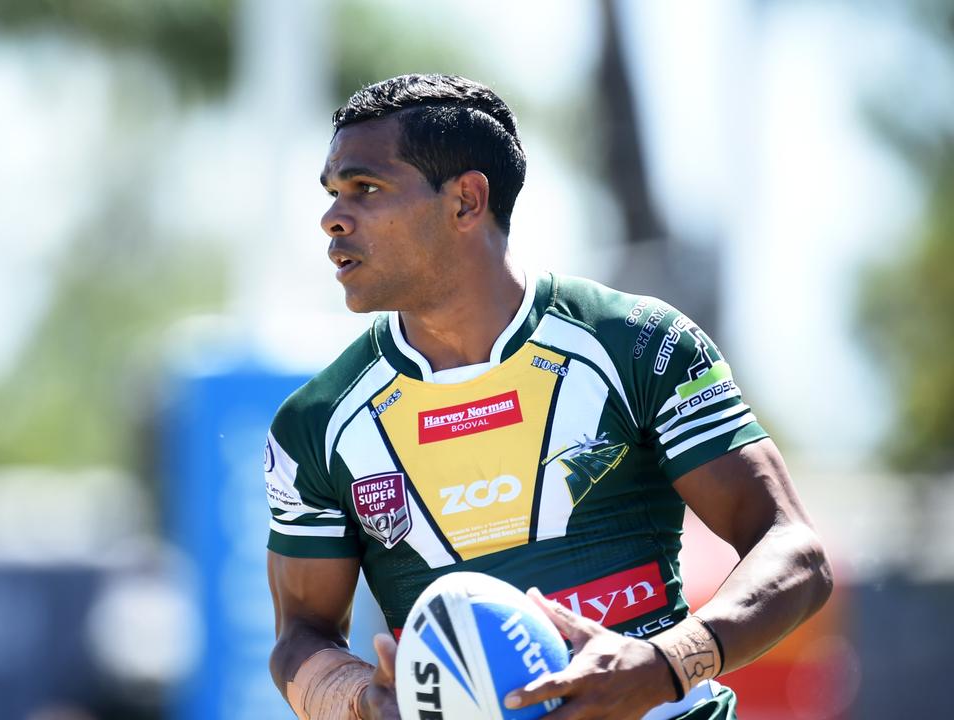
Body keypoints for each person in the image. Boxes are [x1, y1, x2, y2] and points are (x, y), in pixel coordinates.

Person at [264, 74, 833, 720]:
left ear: (466, 201)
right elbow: (299, 637)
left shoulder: (639, 344)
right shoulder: (316, 423)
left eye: (365, 188)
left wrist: (667, 663)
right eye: (334, 193)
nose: (332, 218)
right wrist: (360, 700)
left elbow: (795, 553)